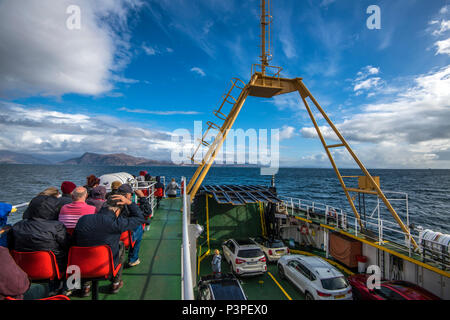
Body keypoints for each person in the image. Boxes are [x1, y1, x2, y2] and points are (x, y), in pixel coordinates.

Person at [72, 193, 145, 294]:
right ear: (117, 210)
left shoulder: (83, 220)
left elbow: (74, 241)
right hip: (106, 266)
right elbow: (140, 218)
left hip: (82, 266)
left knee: (86, 246)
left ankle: (86, 286)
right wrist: (129, 202)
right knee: (120, 245)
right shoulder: (116, 224)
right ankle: (115, 283)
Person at [8, 188, 69, 293]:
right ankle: (71, 288)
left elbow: (11, 247)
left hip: (24, 269)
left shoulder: (17, 227)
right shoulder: (57, 227)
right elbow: (67, 244)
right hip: (52, 269)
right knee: (73, 258)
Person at [116, 184, 146, 267]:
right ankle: (133, 259)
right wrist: (142, 197)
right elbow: (145, 214)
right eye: (131, 194)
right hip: (125, 238)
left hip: (112, 237)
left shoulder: (109, 204)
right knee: (139, 227)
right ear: (127, 195)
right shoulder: (130, 208)